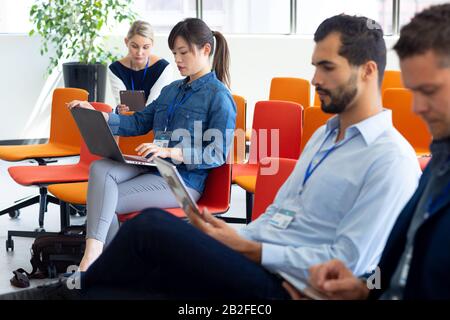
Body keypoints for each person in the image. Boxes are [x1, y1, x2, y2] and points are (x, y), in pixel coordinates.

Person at [1, 14, 421, 300]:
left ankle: (68, 285)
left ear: (367, 70)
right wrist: (233, 236)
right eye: (315, 66)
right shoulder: (325, 138)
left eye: (326, 67)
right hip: (252, 251)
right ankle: (70, 289)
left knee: (148, 230)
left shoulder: (390, 160)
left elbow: (349, 267)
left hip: (277, 279)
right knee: (132, 274)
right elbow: (281, 216)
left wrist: (249, 247)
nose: (314, 79)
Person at [302, 4, 450, 300]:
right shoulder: (440, 163)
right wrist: (364, 288)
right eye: (413, 91)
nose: (416, 108)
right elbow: (398, 271)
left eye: (430, 91)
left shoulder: (400, 159)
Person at [66, 18, 236, 271]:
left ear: (206, 50)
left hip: (183, 184)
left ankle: (95, 265)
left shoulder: (219, 96)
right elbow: (136, 123)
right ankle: (100, 262)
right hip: (154, 168)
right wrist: (96, 114)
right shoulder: (171, 90)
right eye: (174, 53)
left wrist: (171, 151)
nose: (177, 60)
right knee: (101, 169)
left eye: (183, 52)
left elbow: (217, 153)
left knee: (104, 199)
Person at [108, 20, 173, 114]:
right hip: (127, 119)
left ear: (152, 45)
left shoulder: (163, 68)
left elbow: (152, 106)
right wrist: (121, 110)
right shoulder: (115, 69)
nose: (139, 53)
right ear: (126, 42)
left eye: (145, 47)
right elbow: (121, 106)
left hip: (153, 120)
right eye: (134, 46)